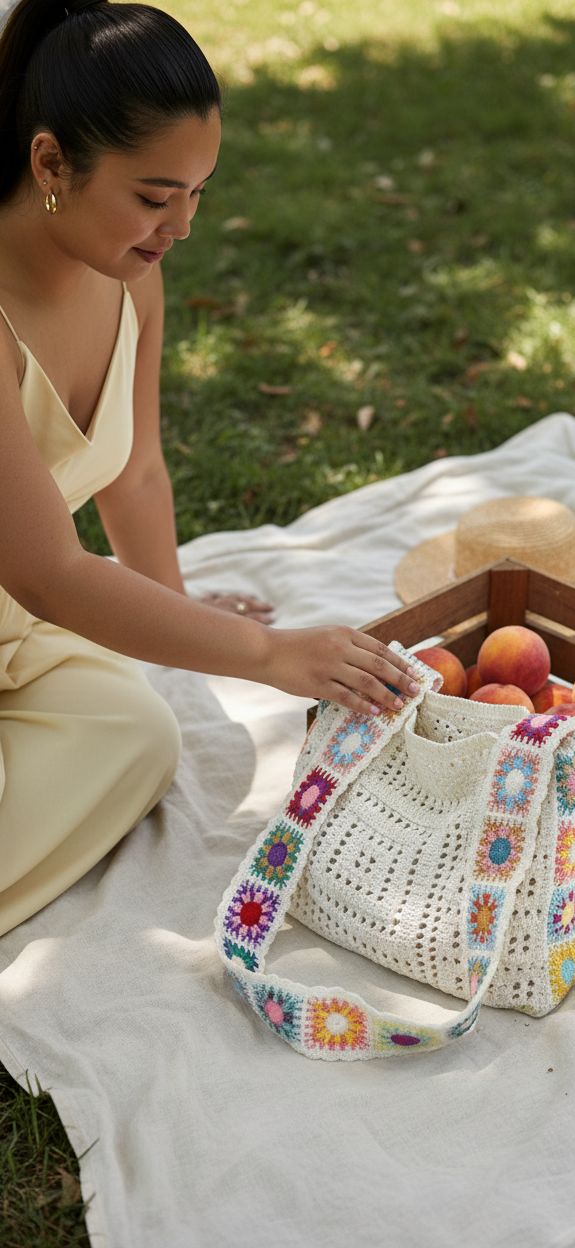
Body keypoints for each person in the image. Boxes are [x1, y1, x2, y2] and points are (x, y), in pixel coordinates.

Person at [0, 0, 421, 937]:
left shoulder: (132, 277)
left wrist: (180, 607)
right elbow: (48, 571)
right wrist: (273, 655)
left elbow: (136, 473)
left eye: (199, 194)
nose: (180, 228)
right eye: (155, 197)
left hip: (18, 638)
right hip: (34, 599)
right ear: (51, 164)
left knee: (140, 739)